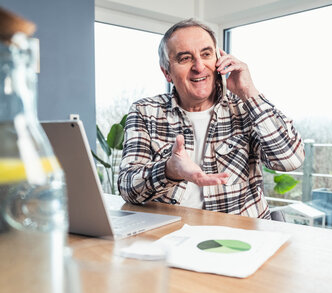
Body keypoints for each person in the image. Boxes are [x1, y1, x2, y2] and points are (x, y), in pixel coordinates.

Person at [117, 19, 304, 219]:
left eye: (206, 54)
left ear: (218, 60)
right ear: (167, 72)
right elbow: (128, 188)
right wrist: (169, 170)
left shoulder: (245, 106)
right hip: (172, 235)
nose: (199, 66)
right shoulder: (144, 111)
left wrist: (248, 92)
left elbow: (290, 160)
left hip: (240, 237)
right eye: (185, 58)